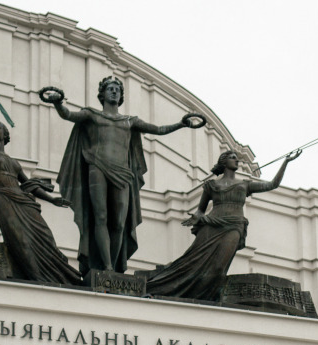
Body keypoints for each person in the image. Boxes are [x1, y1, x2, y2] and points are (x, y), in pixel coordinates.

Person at [39, 76, 205, 276]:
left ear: (121, 96)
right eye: (110, 88)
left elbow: (158, 130)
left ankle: (115, 265)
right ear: (102, 94)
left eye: (117, 89)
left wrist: (181, 124)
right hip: (97, 167)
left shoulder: (130, 121)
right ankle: (107, 268)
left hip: (123, 173)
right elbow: (67, 115)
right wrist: (57, 103)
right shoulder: (92, 115)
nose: (114, 92)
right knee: (100, 217)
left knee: (118, 222)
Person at [146, 148, 300, 301]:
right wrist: (196, 217)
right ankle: (167, 289)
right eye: (233, 157)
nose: (237, 160)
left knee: (219, 268)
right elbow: (200, 210)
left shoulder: (245, 185)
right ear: (224, 162)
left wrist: (285, 162)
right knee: (192, 261)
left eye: (236, 158)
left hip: (234, 226)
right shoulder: (212, 185)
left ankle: (203, 296)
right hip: (211, 225)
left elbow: (272, 184)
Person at [0, 105, 83, 286]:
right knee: (20, 240)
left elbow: (29, 185)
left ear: (5, 135)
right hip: (3, 199)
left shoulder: (14, 163)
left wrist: (52, 199)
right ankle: (37, 278)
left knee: (45, 236)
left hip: (23, 201)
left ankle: (58, 277)